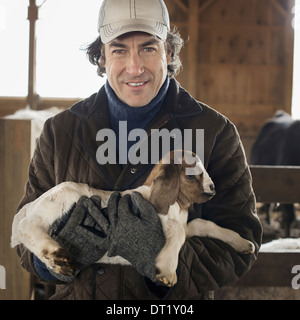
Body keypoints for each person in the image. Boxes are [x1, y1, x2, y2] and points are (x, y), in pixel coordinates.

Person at [15, 0, 262, 300]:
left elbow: (240, 245)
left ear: (168, 52)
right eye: (119, 49)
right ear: (102, 57)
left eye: (148, 48)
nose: (135, 67)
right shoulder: (59, 133)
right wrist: (58, 256)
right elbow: (23, 240)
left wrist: (159, 260)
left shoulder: (216, 133)